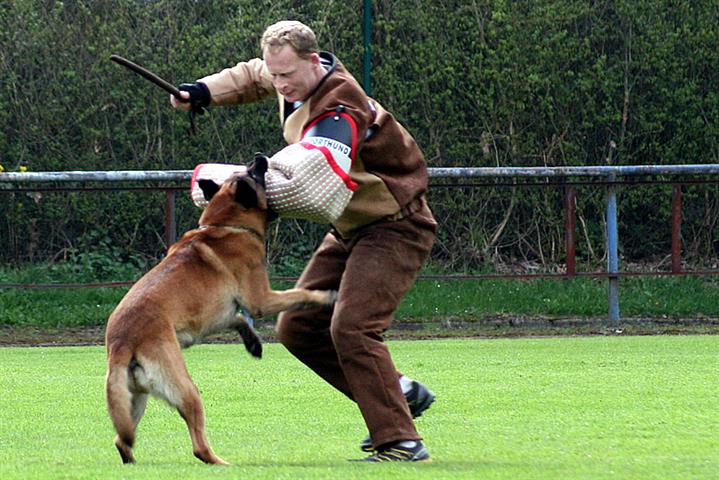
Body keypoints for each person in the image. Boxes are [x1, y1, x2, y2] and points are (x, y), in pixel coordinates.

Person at [172, 20, 438, 462]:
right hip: (351, 225)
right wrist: (202, 91)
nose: (280, 84)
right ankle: (396, 393)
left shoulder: (340, 110)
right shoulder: (291, 74)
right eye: (275, 74)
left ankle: (400, 441)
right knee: (297, 326)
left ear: (314, 61)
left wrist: (240, 186)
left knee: (353, 328)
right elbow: (251, 75)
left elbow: (310, 182)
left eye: (287, 75)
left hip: (396, 226)